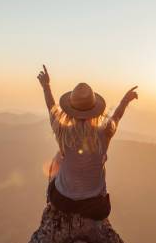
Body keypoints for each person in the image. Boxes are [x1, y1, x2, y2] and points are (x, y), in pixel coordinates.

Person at [36, 65, 138, 220]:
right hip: (95, 207)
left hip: (63, 202)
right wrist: (125, 100)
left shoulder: (62, 132)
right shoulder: (104, 134)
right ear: (95, 110)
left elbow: (51, 107)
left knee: (58, 157)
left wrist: (46, 86)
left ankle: (51, 211)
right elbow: (116, 116)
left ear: (70, 109)